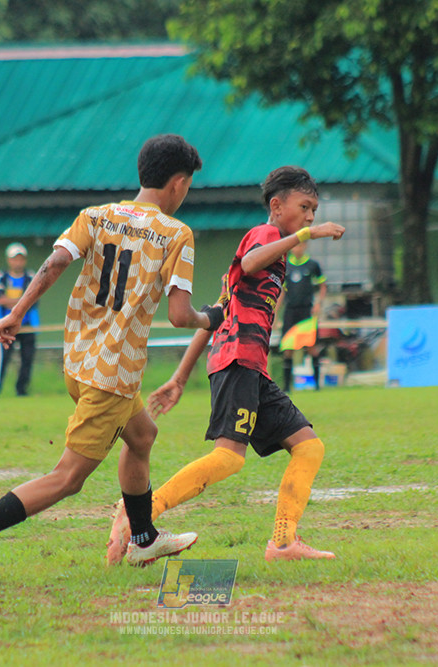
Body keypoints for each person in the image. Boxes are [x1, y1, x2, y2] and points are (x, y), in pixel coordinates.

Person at [0, 134, 225, 591]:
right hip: (112, 375)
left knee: (143, 435)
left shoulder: (97, 215)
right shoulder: (176, 233)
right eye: (187, 186)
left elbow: (54, 263)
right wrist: (216, 315)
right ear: (179, 183)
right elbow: (179, 315)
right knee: (68, 478)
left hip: (81, 361)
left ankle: (143, 537)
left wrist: (14, 312)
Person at [106, 166, 345, 565]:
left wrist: (180, 378)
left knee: (308, 447)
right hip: (238, 362)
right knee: (229, 457)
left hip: (247, 365)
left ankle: (284, 544)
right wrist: (305, 236)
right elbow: (251, 263)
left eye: (314, 212)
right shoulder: (267, 236)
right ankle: (138, 514)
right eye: (304, 208)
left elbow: (216, 314)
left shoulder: (272, 254)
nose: (310, 217)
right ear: (276, 206)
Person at [277, 242, 327, 392]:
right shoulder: (285, 266)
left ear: (305, 246)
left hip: (306, 311)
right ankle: (287, 386)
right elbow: (282, 291)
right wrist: (276, 312)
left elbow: (323, 285)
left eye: (300, 246)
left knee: (311, 346)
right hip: (290, 311)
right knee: (288, 347)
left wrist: (318, 303)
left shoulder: (312, 265)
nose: (297, 248)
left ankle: (317, 385)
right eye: (295, 246)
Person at [0, 242, 39, 396]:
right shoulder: (1, 277)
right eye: (14, 259)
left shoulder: (31, 276)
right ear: (8, 260)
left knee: (27, 360)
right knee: (2, 359)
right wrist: (22, 301)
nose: (18, 262)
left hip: (27, 326)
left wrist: (15, 301)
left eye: (21, 259)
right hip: (6, 326)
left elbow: (34, 300)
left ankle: (21, 391)